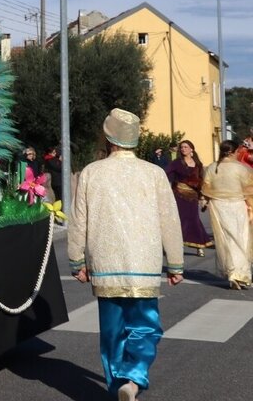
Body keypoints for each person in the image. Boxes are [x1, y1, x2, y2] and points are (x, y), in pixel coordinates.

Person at [68, 108, 184, 401]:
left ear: (108, 138)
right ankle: (133, 378)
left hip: (105, 262)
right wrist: (175, 263)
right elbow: (169, 219)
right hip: (144, 262)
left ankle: (118, 385)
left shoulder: (91, 172)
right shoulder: (154, 173)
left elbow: (79, 220)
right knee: (145, 326)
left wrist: (76, 260)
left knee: (112, 331)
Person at [201, 139, 253, 289]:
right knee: (241, 239)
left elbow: (206, 188)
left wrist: (205, 201)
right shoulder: (241, 168)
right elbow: (249, 189)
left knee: (225, 241)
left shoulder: (212, 167)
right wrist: (251, 205)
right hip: (237, 206)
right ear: (234, 152)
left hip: (218, 206)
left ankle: (232, 273)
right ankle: (240, 273)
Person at [165, 139, 213, 256]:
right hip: (179, 195)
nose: (183, 149)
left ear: (192, 149)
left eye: (185, 147)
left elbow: (201, 181)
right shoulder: (176, 163)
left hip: (193, 197)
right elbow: (165, 173)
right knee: (179, 220)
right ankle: (174, 245)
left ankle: (199, 246)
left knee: (194, 220)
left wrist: (202, 197)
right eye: (181, 147)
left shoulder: (198, 164)